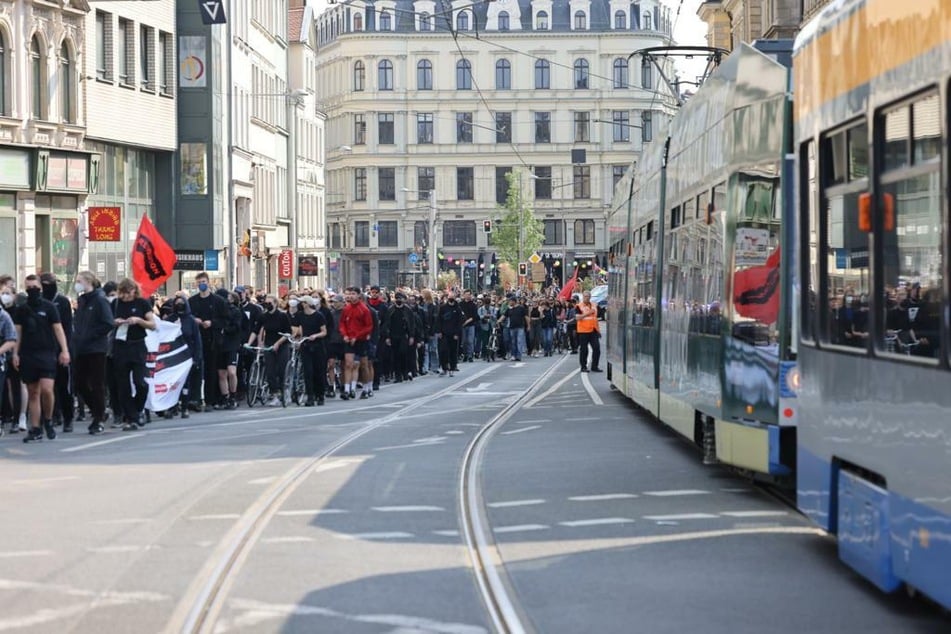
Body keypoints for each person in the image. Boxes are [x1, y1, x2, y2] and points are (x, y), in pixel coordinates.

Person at [12, 274, 71, 442]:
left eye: (35, 287)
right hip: (28, 354)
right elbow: (18, 333)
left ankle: (48, 419)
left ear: (40, 288)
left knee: (46, 389)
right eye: (29, 288)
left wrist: (64, 350)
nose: (32, 291)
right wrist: (15, 354)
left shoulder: (50, 307)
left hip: (47, 352)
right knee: (33, 392)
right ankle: (36, 428)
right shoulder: (21, 309)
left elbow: (58, 330)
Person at [71, 271, 116, 435]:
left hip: (96, 348)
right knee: (79, 383)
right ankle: (99, 410)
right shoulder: (82, 300)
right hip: (81, 348)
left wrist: (90, 335)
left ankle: (98, 418)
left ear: (88, 282)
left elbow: (108, 323)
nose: (77, 284)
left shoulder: (99, 299)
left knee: (97, 383)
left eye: (79, 281)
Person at [111, 278, 156, 430]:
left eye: (128, 293)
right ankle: (132, 417)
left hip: (137, 345)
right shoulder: (116, 304)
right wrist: (116, 321)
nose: (125, 297)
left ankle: (137, 410)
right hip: (120, 345)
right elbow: (107, 321)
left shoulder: (142, 303)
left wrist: (138, 320)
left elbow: (152, 325)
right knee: (122, 386)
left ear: (134, 291)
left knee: (140, 382)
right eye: (122, 293)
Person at [188, 271, 228, 410]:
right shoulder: (192, 301)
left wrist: (212, 323)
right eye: (199, 283)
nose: (201, 285)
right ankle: (195, 399)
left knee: (211, 371)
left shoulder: (218, 301)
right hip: (197, 339)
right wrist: (195, 320)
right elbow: (187, 317)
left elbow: (225, 320)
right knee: (196, 370)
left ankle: (210, 400)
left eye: (203, 282)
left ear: (208, 283)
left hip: (213, 340)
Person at [40, 273, 74, 431]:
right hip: (45, 349)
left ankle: (68, 418)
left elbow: (66, 327)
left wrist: (65, 349)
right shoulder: (39, 302)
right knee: (47, 386)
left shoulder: (62, 301)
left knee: (63, 386)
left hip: (61, 348)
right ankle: (52, 415)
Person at [254, 294, 292, 406]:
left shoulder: (282, 316)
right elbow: (256, 330)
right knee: (270, 371)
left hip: (282, 344)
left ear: (275, 303)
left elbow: (287, 332)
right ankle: (274, 393)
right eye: (266, 303)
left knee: (282, 369)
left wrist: (278, 343)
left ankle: (285, 391)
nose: (268, 305)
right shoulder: (263, 316)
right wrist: (251, 342)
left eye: (270, 303)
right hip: (269, 344)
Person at [338, 287, 373, 400]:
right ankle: (347, 390)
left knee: (363, 365)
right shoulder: (346, 309)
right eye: (350, 294)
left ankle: (366, 388)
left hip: (361, 340)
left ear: (359, 296)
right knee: (348, 364)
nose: (351, 296)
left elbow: (368, 326)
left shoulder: (364, 309)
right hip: (349, 339)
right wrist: (345, 335)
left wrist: (357, 336)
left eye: (353, 294)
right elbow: (342, 323)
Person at [292, 296, 328, 406]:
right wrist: (296, 337)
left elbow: (324, 331)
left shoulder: (318, 315)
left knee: (319, 371)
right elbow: (296, 328)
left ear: (307, 303)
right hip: (305, 345)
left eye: (302, 303)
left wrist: (316, 336)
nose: (301, 305)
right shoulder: (300, 315)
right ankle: (310, 396)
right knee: (308, 371)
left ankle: (320, 394)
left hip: (317, 346)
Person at [436, 290, 464, 376]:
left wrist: (457, 333)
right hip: (444, 333)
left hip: (454, 334)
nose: (451, 299)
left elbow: (459, 322)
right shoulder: (443, 307)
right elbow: (439, 320)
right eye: (449, 297)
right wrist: (439, 331)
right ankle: (444, 368)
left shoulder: (458, 308)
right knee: (443, 351)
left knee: (453, 351)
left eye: (452, 297)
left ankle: (452, 368)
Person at [576, 290, 601, 372]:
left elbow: (596, 318)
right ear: (583, 297)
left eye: (588, 296)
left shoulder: (594, 305)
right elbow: (577, 317)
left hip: (593, 330)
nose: (587, 298)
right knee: (584, 350)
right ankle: (583, 366)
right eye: (585, 296)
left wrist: (598, 331)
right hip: (583, 331)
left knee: (597, 348)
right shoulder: (578, 306)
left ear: (590, 297)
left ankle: (595, 366)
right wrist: (588, 313)